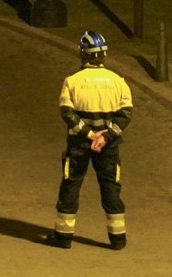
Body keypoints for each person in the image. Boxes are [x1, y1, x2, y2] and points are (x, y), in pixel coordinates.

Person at [49, 31, 133, 250]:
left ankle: (63, 236)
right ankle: (118, 238)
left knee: (71, 184)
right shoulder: (118, 81)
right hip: (109, 145)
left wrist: (89, 134)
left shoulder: (72, 81)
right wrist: (106, 135)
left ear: (82, 54)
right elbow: (125, 114)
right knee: (110, 187)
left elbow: (67, 114)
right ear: (103, 55)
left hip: (79, 144)